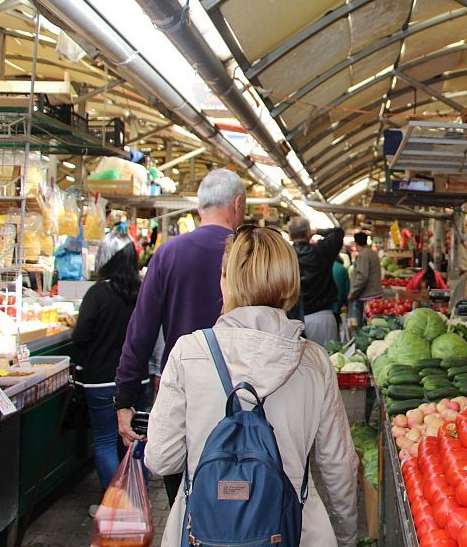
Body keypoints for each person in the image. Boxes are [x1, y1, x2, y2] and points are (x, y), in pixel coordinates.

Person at [143, 226, 359, 547]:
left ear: (227, 282)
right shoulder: (314, 362)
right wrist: (346, 535)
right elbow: (338, 465)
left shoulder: (189, 352)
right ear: (290, 282)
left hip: (202, 531)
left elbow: (162, 459)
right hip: (295, 531)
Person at [114, 169, 246, 506]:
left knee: (184, 501)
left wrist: (125, 398)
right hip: (244, 395)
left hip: (182, 397)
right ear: (237, 204)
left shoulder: (168, 254)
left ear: (199, 207)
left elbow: (141, 330)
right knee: (238, 494)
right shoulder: (248, 254)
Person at [72, 232, 147, 495]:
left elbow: (80, 336)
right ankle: (137, 500)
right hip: (137, 379)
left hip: (100, 380)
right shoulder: (142, 292)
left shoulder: (97, 293)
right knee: (136, 440)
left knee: (104, 442)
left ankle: (114, 506)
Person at [289, 217, 344, 346]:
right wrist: (317, 231)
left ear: (290, 235)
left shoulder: (285, 255)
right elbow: (338, 232)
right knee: (329, 355)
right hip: (323, 317)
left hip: (294, 321)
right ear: (308, 233)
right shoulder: (321, 251)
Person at [348, 231, 382, 327]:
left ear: (356, 243)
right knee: (372, 323)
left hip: (367, 294)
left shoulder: (363, 255)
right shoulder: (372, 253)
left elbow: (362, 277)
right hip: (375, 293)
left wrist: (353, 293)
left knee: (365, 325)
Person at [331, 255, 350, 331]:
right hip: (338, 304)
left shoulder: (324, 267)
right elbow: (347, 288)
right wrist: (346, 303)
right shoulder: (342, 269)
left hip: (325, 307)